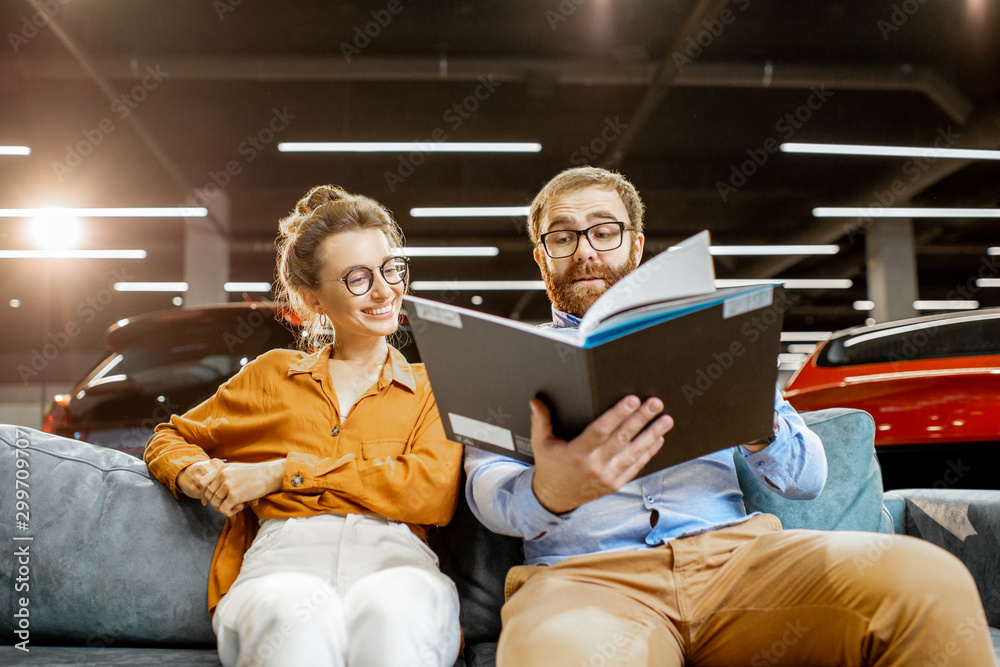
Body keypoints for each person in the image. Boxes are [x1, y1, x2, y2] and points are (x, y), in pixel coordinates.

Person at [465, 166, 996, 666]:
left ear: (636, 244)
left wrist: (755, 419)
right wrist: (550, 491)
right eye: (562, 237)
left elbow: (808, 480)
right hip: (584, 580)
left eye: (604, 231)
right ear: (541, 257)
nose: (585, 251)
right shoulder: (511, 359)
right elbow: (486, 488)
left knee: (929, 582)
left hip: (738, 562)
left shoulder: (712, 338)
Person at [144, 185, 463, 667]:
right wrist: (195, 473)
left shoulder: (432, 388)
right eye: (357, 278)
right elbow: (171, 437)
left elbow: (430, 491)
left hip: (395, 561)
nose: (384, 290)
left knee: (392, 611)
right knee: (292, 616)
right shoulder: (272, 374)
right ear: (313, 297)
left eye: (390, 268)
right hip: (284, 561)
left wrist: (280, 473)